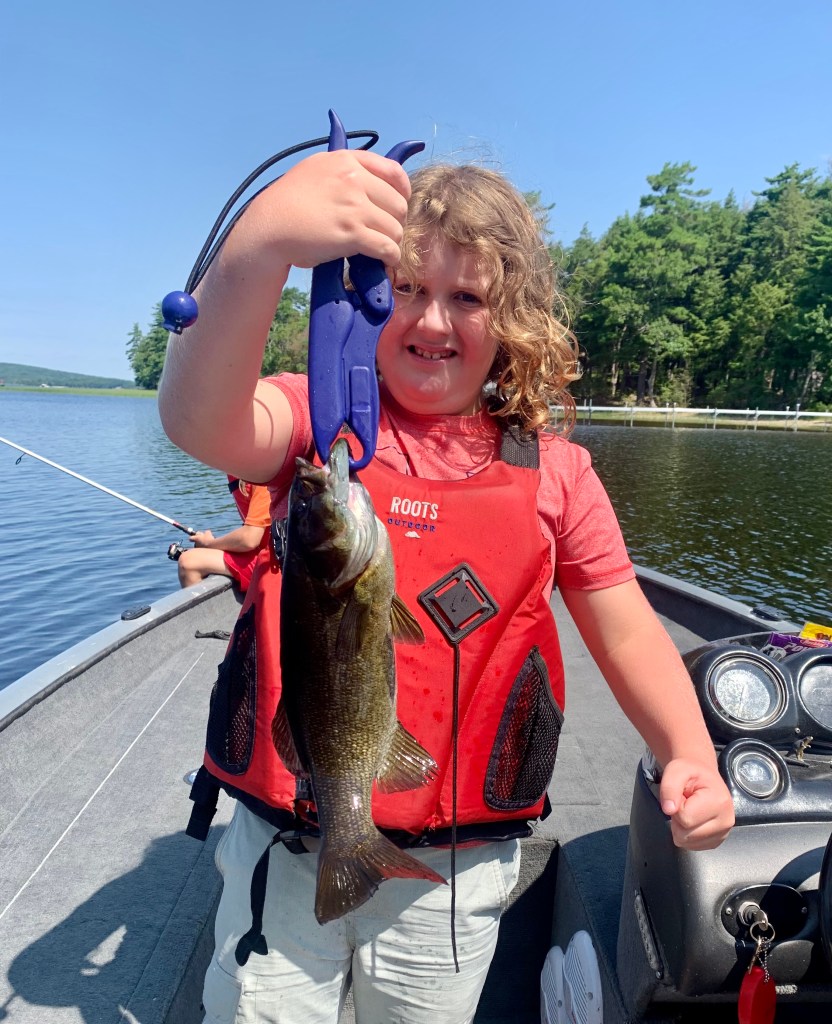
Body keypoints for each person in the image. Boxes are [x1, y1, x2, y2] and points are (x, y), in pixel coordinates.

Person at [158, 146, 735, 1024]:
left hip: (453, 873)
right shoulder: (316, 423)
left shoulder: (559, 475)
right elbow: (196, 418)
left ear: (513, 320)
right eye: (406, 288)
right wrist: (263, 240)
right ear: (365, 296)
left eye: (468, 297)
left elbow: (626, 631)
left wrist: (689, 751)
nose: (433, 318)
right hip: (290, 843)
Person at [176, 477, 271, 592]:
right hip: (266, 554)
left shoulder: (262, 476)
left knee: (188, 562)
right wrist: (213, 544)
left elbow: (249, 539)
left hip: (276, 566)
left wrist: (209, 544)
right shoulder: (242, 475)